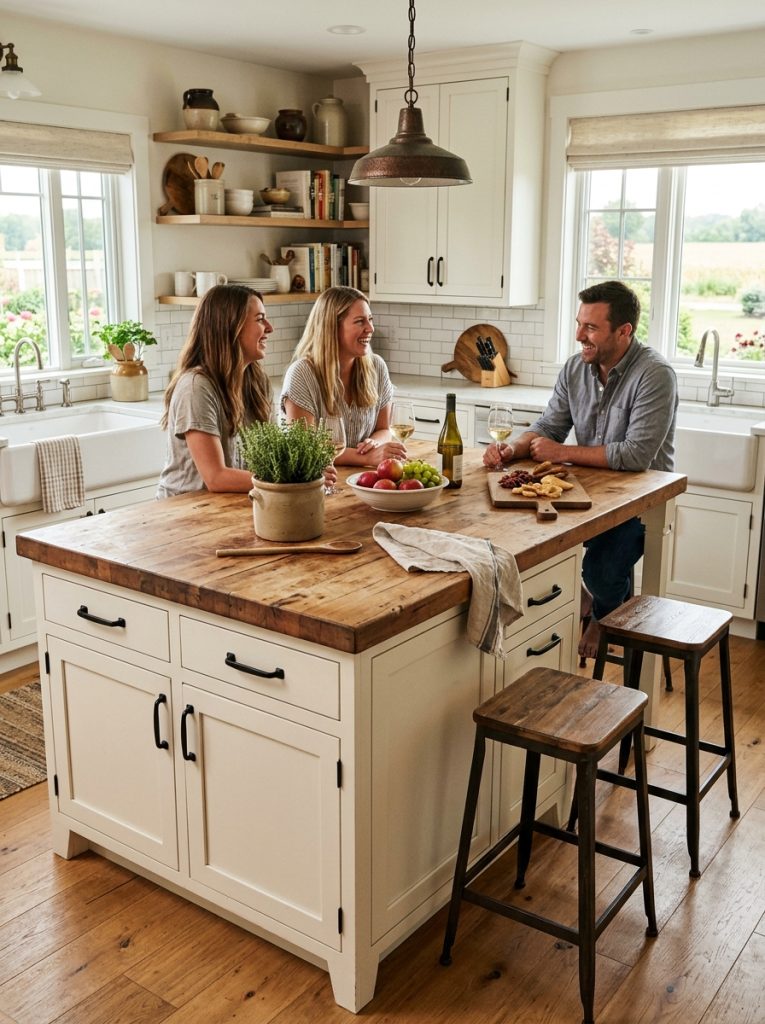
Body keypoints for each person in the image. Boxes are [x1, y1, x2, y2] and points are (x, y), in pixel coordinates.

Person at [484, 280, 678, 657]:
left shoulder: (655, 375)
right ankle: (581, 602)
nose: (579, 336)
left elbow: (637, 455)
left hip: (639, 503)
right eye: (579, 324)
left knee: (603, 571)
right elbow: (548, 426)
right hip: (584, 495)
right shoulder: (576, 369)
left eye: (591, 328)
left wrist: (563, 453)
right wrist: (513, 448)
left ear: (624, 331)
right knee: (529, 544)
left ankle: (601, 615)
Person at [157, 284, 275, 498]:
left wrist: (308, 470)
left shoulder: (258, 382)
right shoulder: (196, 387)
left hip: (233, 504)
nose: (269, 327)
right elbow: (216, 477)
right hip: (184, 513)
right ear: (231, 327)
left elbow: (272, 456)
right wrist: (290, 477)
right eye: (259, 319)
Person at [281, 286, 406, 467]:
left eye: (370, 319)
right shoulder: (302, 374)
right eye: (360, 321)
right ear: (332, 327)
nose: (370, 328)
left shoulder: (377, 367)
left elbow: (383, 429)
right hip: (320, 483)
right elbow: (304, 449)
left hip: (362, 480)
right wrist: (365, 457)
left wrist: (375, 444)